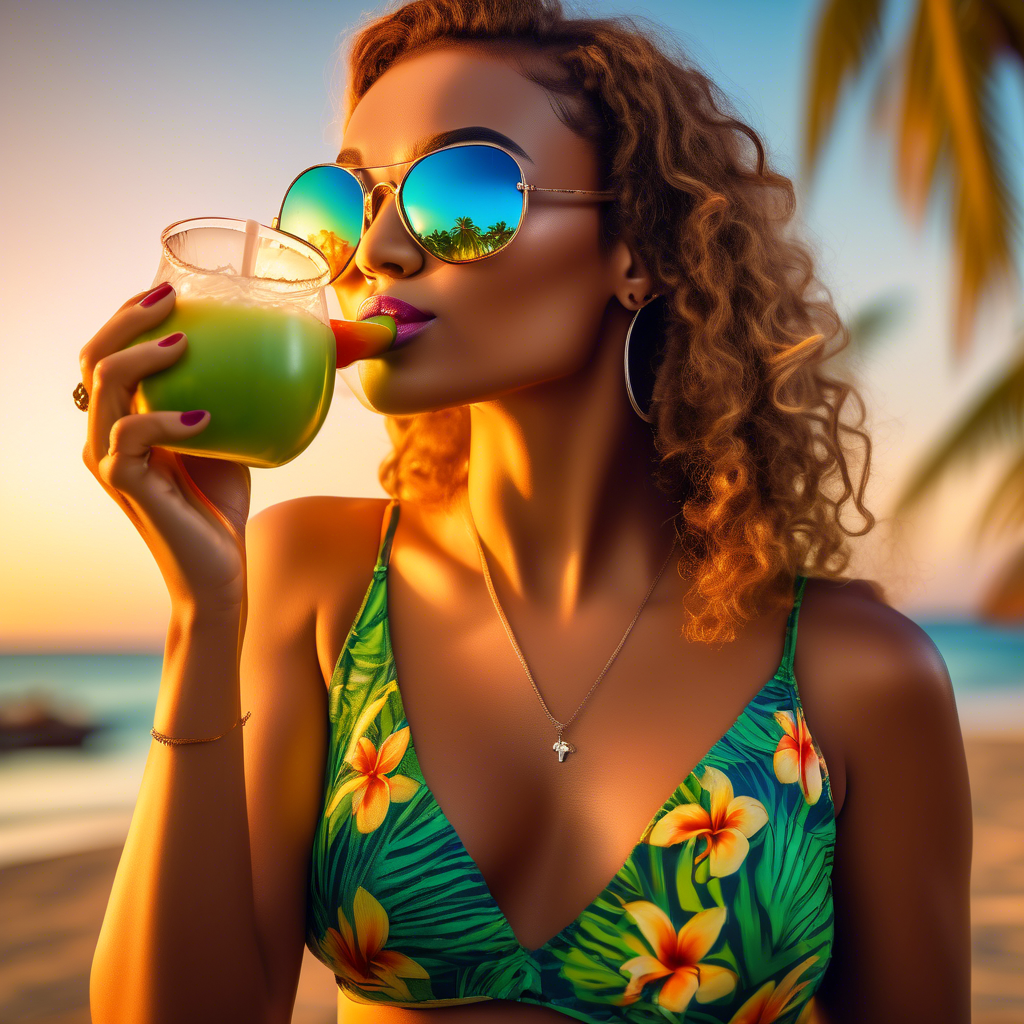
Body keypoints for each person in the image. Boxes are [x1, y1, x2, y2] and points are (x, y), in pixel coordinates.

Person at [82, 1, 973, 1022]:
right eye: (346, 200)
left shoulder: (858, 675)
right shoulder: (312, 580)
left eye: (462, 190)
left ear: (635, 248)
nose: (378, 249)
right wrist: (202, 614)